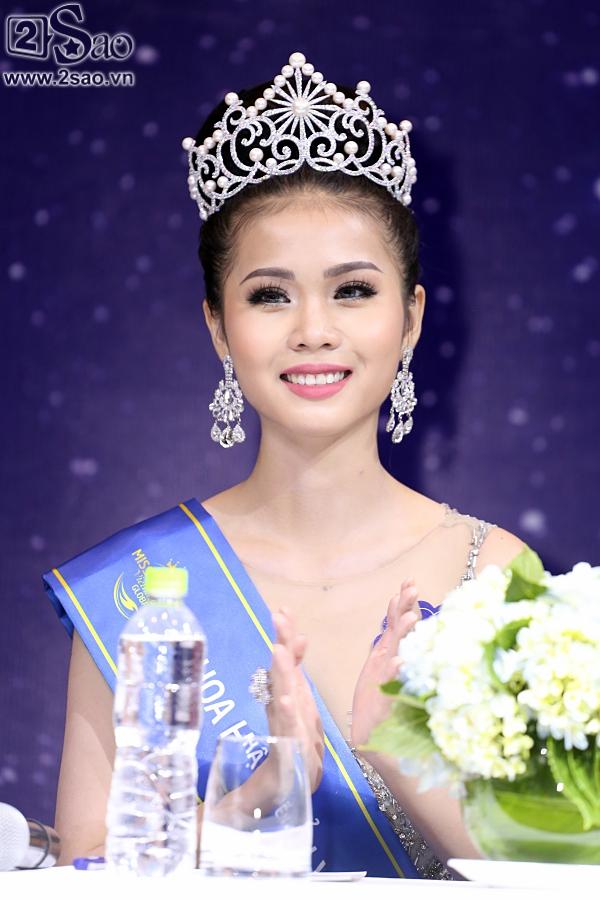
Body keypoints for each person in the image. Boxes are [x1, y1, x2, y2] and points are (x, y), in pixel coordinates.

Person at [44, 51, 526, 878]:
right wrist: (260, 797)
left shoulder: (491, 574)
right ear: (218, 327)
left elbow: (562, 876)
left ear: (411, 319)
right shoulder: (137, 589)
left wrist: (395, 753)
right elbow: (82, 871)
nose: (312, 330)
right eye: (270, 295)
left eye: (353, 291)